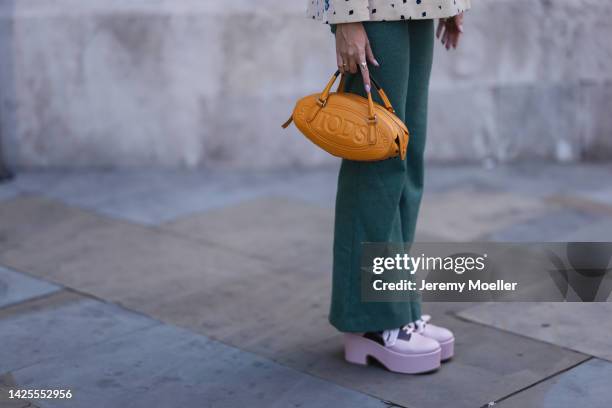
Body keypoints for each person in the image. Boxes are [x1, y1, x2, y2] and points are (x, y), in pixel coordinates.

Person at [307, 0, 471, 374]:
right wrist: (347, 17)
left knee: (406, 158)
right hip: (372, 9)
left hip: (420, 6)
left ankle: (400, 306)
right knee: (376, 159)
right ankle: (373, 320)